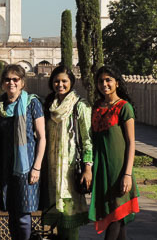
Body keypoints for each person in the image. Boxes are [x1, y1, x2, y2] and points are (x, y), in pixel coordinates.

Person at [0, 64, 46, 240]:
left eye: (15, 79)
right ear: (2, 83)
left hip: (27, 166)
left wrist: (37, 167)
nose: (11, 83)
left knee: (24, 213)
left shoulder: (32, 103)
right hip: (7, 165)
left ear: (22, 82)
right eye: (7, 79)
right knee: (12, 212)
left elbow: (42, 137)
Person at [41, 65, 92, 240]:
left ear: (71, 83)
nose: (60, 84)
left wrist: (88, 168)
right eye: (56, 81)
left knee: (70, 216)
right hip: (53, 167)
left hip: (70, 168)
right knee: (58, 217)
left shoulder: (80, 106)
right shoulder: (50, 105)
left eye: (64, 81)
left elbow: (87, 140)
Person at [88, 66, 140, 239]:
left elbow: (131, 142)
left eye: (108, 80)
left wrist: (127, 174)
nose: (104, 84)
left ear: (117, 83)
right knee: (118, 221)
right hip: (102, 171)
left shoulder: (124, 108)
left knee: (115, 218)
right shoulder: (96, 107)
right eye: (100, 81)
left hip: (119, 171)